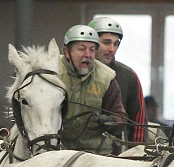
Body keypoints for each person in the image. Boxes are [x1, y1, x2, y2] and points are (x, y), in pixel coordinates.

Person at [58, 24, 127, 153]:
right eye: (81, 49)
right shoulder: (51, 72)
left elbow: (120, 116)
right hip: (58, 150)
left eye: (92, 50)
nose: (88, 55)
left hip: (96, 153)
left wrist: (112, 121)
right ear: (67, 52)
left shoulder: (107, 77)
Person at [88, 16, 147, 144]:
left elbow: (139, 123)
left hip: (116, 156)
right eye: (106, 42)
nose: (112, 49)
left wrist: (138, 156)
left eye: (116, 44)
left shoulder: (128, 76)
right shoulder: (71, 72)